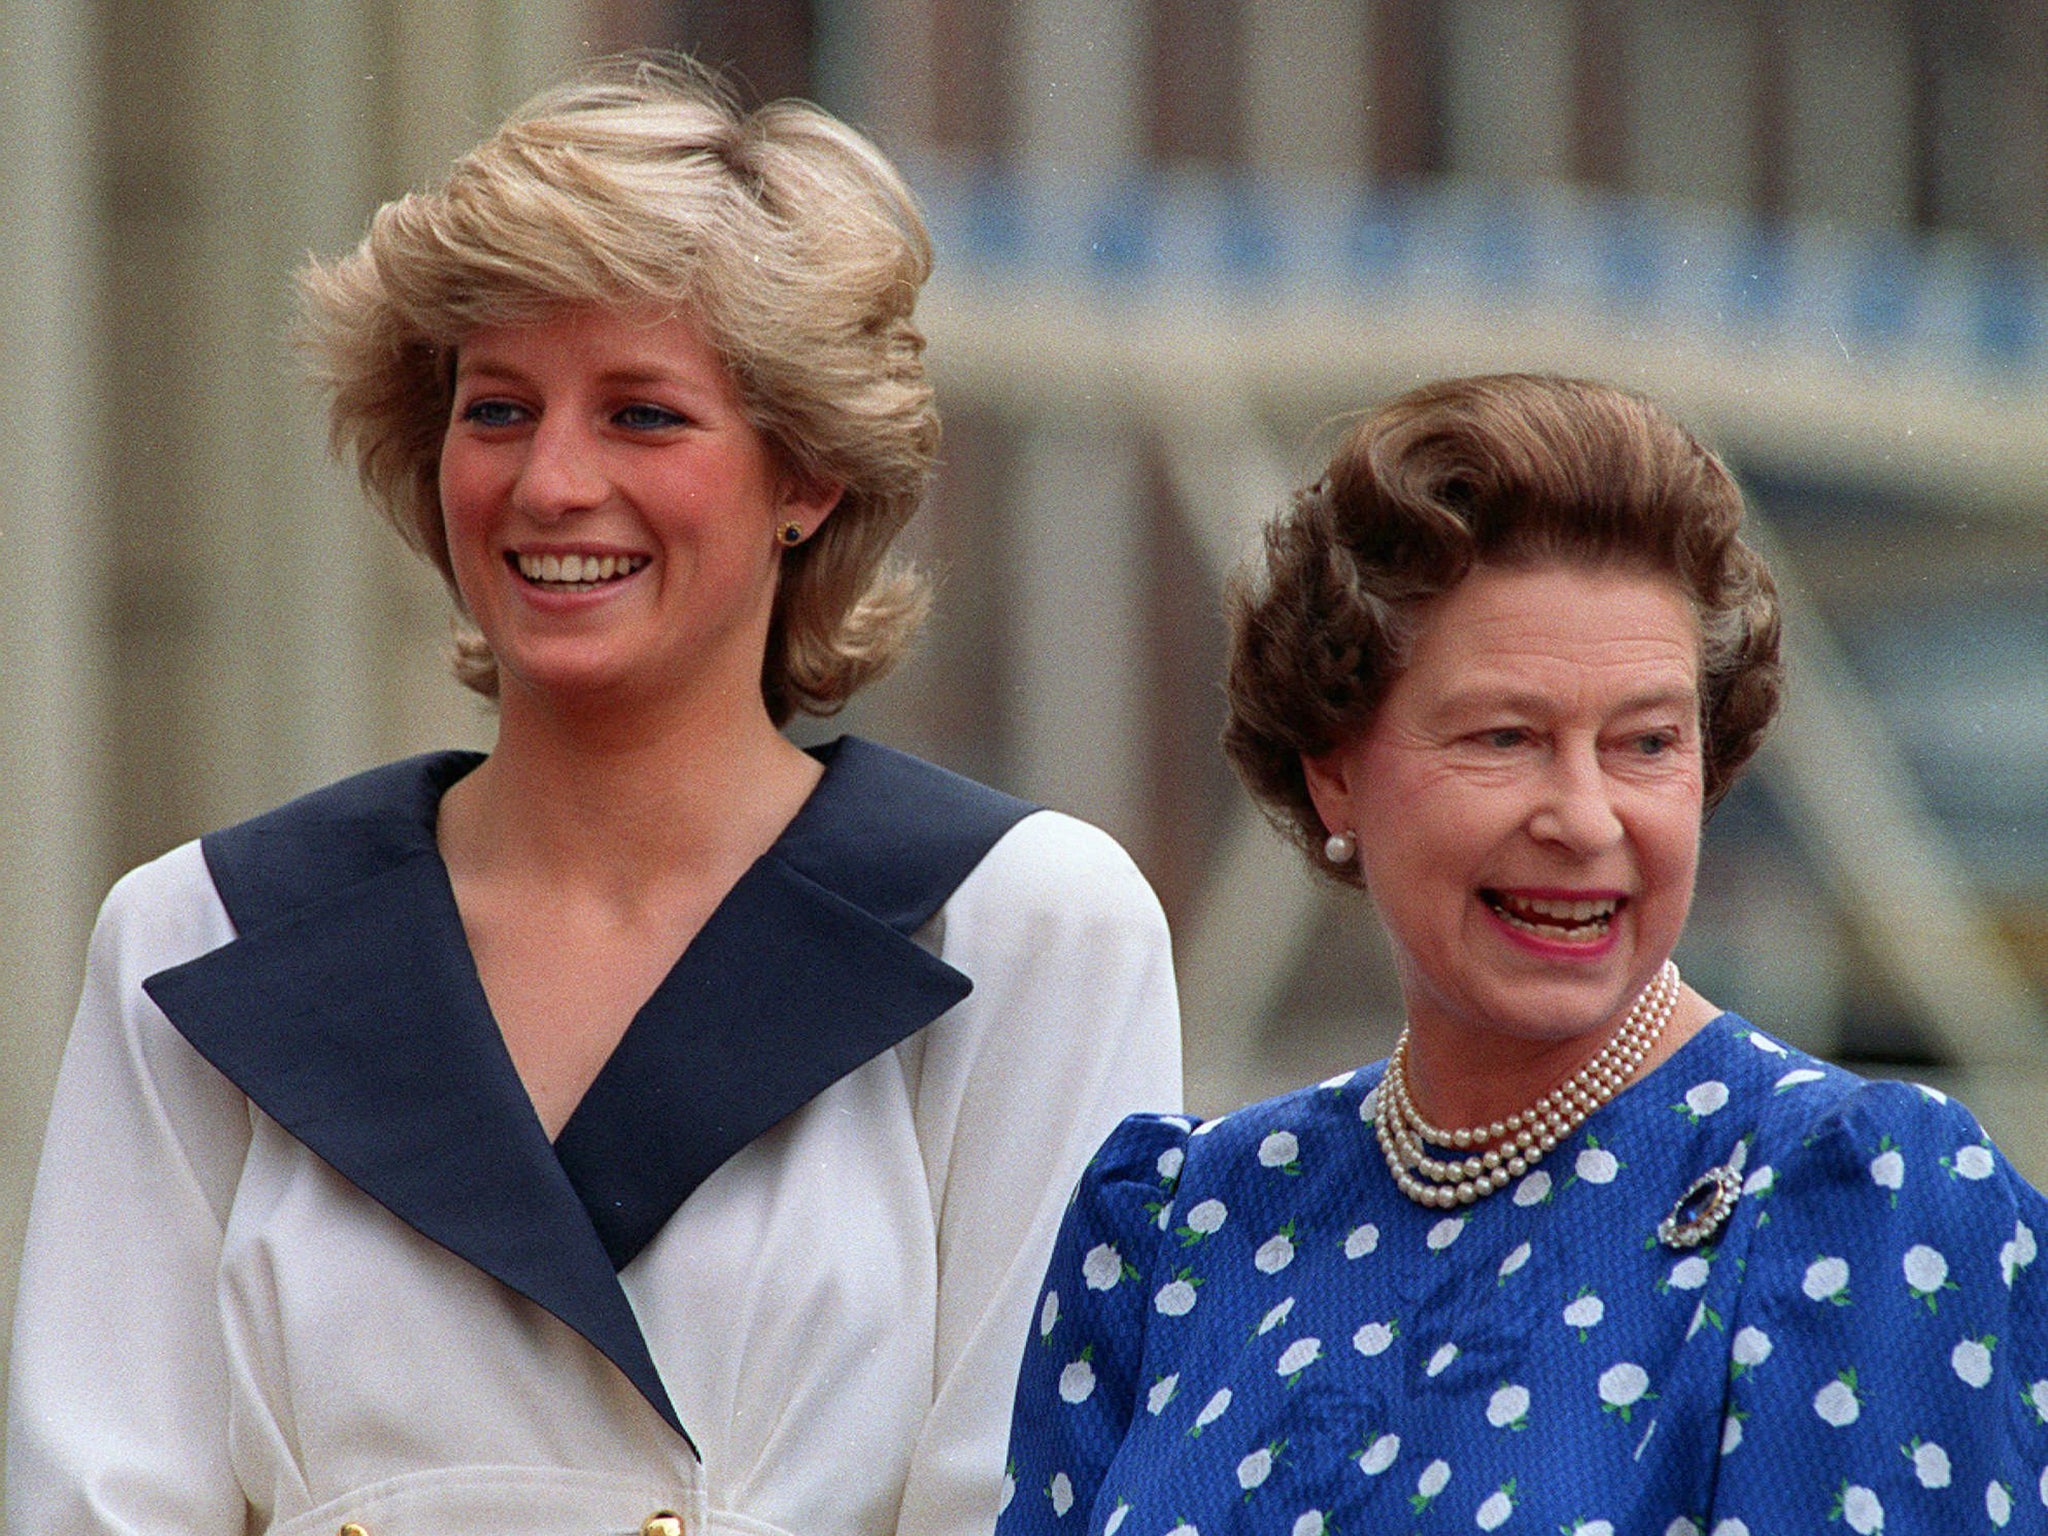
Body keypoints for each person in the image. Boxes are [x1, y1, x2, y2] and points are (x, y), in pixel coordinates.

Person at [7, 61, 1180, 1536]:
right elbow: (98, 1506)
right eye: (497, 409)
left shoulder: (1021, 930)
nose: (552, 482)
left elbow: (1029, 1506)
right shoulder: (192, 938)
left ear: (806, 473)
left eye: (643, 415)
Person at [998, 374, 2048, 1534]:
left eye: (1644, 743)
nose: (1586, 818)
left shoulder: (1850, 1202)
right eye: (1505, 738)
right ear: (1332, 765)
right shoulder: (1178, 1231)